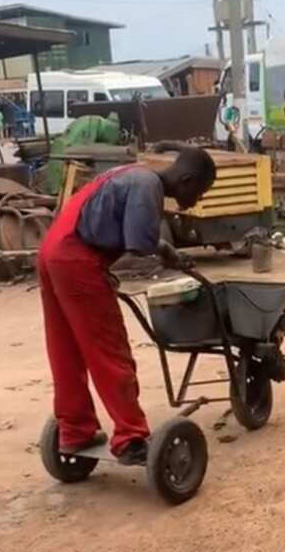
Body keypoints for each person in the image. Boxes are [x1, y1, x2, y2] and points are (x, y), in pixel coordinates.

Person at [38, 144, 216, 464]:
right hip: (78, 260)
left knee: (66, 349)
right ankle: (131, 437)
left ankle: (75, 431)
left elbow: (129, 233)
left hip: (52, 250)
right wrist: (164, 259)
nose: (197, 201)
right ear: (186, 179)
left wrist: (167, 252)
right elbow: (137, 247)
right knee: (110, 351)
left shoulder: (130, 174)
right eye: (200, 193)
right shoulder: (148, 187)